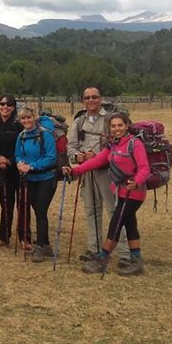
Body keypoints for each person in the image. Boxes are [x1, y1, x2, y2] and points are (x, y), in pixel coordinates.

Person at [64, 112, 149, 276]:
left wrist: (136, 181)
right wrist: (75, 171)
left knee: (115, 224)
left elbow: (144, 168)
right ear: (109, 128)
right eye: (113, 126)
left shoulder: (135, 143)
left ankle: (103, 258)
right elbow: (96, 161)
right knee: (130, 224)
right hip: (121, 192)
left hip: (134, 193)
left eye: (120, 125)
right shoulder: (113, 145)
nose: (117, 129)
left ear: (127, 125)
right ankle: (136, 261)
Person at [66, 87, 130, 264]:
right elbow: (71, 145)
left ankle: (125, 253)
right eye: (87, 97)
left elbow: (119, 144)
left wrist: (99, 156)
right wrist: (77, 156)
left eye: (94, 97)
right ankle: (94, 248)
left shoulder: (110, 119)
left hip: (108, 173)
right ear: (83, 100)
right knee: (91, 211)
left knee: (114, 212)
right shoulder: (79, 121)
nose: (91, 100)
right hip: (87, 172)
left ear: (100, 98)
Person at [14, 107, 58, 262]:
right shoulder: (22, 135)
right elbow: (18, 154)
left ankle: (40, 246)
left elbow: (51, 157)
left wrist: (32, 166)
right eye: (23, 118)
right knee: (36, 209)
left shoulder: (46, 134)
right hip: (29, 178)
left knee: (40, 210)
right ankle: (45, 245)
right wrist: (20, 163)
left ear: (35, 117)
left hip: (46, 177)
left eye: (29, 117)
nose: (26, 121)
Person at [0, 93, 23, 247]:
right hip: (2, 167)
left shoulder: (18, 122)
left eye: (9, 104)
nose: (5, 107)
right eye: (2, 104)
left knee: (22, 203)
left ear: (14, 107)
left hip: (19, 166)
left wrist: (11, 160)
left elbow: (23, 144)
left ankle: (24, 236)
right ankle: (3, 235)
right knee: (6, 202)